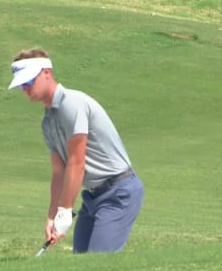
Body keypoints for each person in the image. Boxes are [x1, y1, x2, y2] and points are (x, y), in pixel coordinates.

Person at [8, 48, 144, 253]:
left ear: (47, 72)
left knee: (96, 266)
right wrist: (52, 215)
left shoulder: (71, 104)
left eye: (29, 82)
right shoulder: (48, 122)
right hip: (93, 196)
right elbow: (58, 172)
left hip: (119, 191)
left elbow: (77, 163)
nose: (26, 89)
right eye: (21, 85)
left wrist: (65, 210)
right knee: (80, 266)